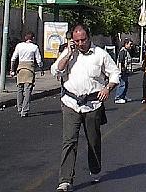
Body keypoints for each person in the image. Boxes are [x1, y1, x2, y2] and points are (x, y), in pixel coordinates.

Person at [51, 24, 120, 192]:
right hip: (71, 103)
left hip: (93, 105)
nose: (80, 43)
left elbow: (115, 73)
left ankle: (95, 169)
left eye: (83, 40)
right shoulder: (68, 54)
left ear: (89, 38)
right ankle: (65, 180)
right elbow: (56, 71)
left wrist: (107, 88)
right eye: (76, 41)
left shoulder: (100, 54)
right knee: (69, 141)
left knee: (93, 140)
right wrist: (68, 54)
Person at [9, 31, 43, 118]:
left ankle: (19, 108)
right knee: (28, 90)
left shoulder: (19, 45)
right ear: (33, 38)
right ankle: (25, 110)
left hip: (20, 68)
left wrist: (12, 70)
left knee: (20, 88)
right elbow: (38, 60)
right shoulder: (34, 47)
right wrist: (41, 69)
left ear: (25, 38)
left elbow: (13, 58)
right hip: (29, 69)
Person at [115, 38, 133, 104]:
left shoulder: (126, 51)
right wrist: (120, 71)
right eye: (130, 44)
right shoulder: (122, 51)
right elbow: (120, 62)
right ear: (126, 44)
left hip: (125, 71)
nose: (131, 46)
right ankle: (118, 97)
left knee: (126, 84)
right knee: (122, 84)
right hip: (122, 71)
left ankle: (123, 96)